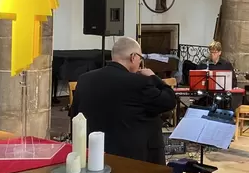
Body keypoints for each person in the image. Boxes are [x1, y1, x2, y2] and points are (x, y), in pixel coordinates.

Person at [70, 37, 176, 165]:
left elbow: (75, 115)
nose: (139, 64)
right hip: (135, 160)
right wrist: (154, 77)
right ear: (133, 57)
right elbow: (170, 101)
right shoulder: (140, 83)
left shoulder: (84, 80)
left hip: (95, 157)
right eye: (140, 59)